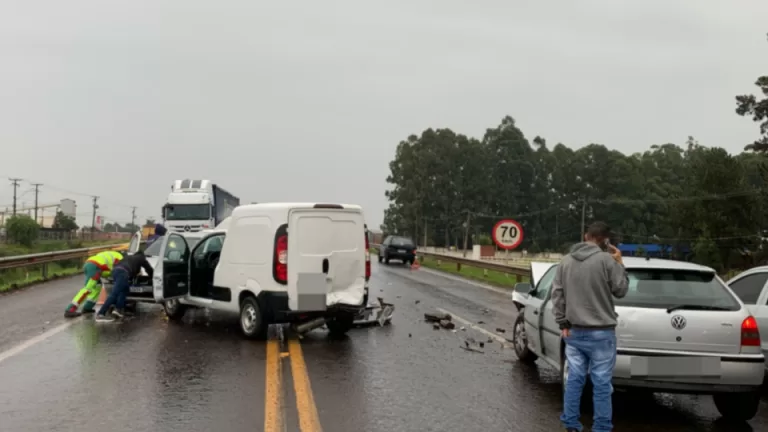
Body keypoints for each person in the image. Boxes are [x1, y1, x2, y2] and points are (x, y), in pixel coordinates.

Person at [551, 221, 629, 432]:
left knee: (574, 379)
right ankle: (601, 427)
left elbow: (556, 295)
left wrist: (562, 322)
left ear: (586, 236)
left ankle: (571, 423)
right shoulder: (607, 261)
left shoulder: (565, 261)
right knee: (602, 383)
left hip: (574, 331)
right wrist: (619, 263)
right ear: (605, 241)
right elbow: (621, 290)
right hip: (602, 333)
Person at [95, 250, 154, 322]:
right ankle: (101, 314)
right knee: (115, 293)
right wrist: (153, 278)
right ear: (143, 256)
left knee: (124, 290)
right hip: (123, 272)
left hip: (115, 271)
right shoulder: (141, 258)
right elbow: (149, 269)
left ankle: (118, 309)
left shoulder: (128, 257)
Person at [64, 250, 124, 318]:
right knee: (88, 288)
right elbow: (114, 271)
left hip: (92, 265)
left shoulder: (116, 255)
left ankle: (88, 307)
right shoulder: (121, 259)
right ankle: (70, 310)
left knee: (97, 287)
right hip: (94, 266)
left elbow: (107, 270)